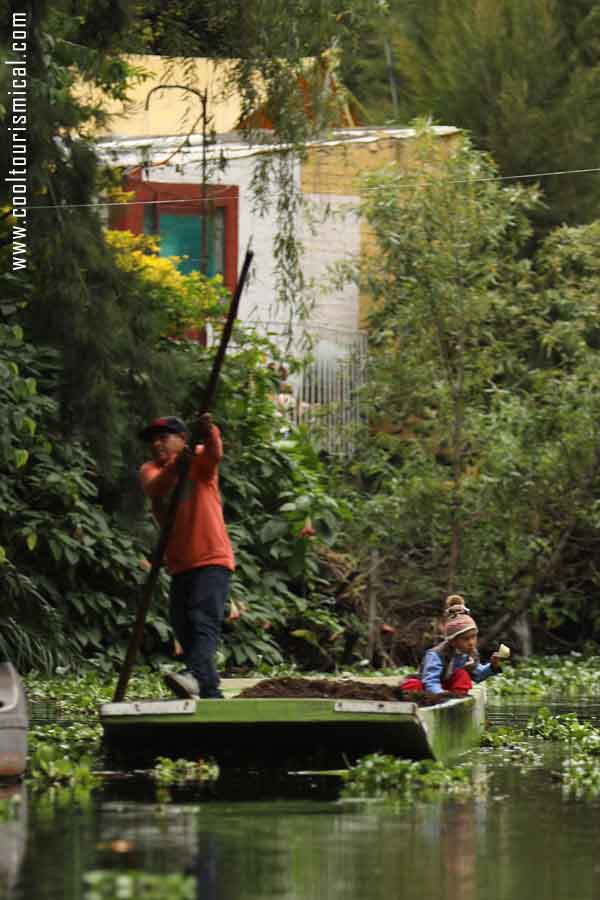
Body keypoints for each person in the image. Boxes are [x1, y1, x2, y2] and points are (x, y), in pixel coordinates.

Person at [138, 413, 235, 700]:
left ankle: (194, 676)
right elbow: (156, 488)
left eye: (164, 437)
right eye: (153, 440)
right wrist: (176, 466)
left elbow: (214, 454)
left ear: (183, 440)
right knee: (183, 626)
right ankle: (209, 693)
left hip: (211, 558)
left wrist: (210, 431)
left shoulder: (199, 460)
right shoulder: (150, 470)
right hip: (180, 565)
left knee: (202, 619)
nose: (157, 444)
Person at [400, 609, 502, 696]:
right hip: (429, 690)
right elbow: (430, 681)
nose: (471, 643)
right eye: (466, 639)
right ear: (453, 641)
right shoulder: (436, 655)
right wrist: (441, 694)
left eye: (473, 637)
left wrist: (492, 666)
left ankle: (458, 699)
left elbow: (478, 674)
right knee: (413, 684)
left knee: (462, 674)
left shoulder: (469, 653)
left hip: (449, 689)